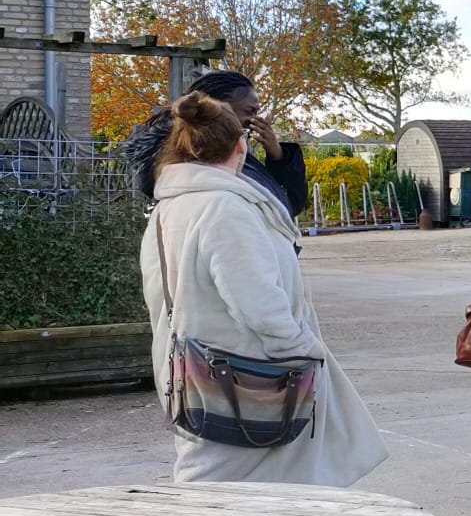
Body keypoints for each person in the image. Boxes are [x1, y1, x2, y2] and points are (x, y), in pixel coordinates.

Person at [139, 92, 387, 485]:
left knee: (230, 482)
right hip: (246, 375)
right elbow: (257, 302)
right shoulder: (224, 207)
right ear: (239, 146)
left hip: (197, 368)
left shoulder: (171, 206)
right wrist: (302, 351)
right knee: (226, 487)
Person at [126, 70, 309, 217]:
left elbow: (288, 205)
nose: (254, 120)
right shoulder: (193, 159)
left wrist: (279, 156)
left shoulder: (228, 155)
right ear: (215, 106)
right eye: (249, 111)